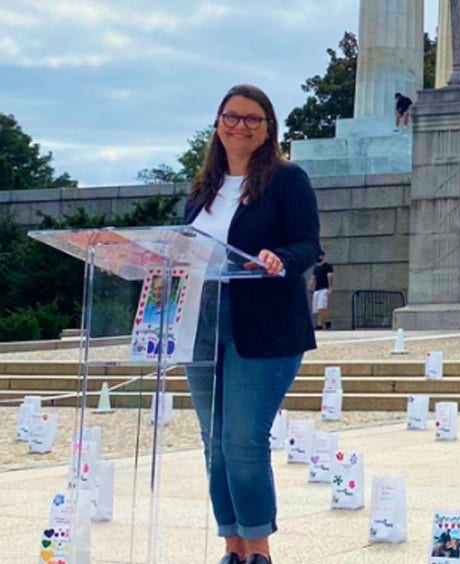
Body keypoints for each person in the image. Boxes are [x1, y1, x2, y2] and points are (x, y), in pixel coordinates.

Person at [184, 84, 319, 564]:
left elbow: (308, 247)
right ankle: (233, 546)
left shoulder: (287, 180)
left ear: (267, 130)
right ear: (218, 123)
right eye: (231, 116)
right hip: (201, 324)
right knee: (214, 439)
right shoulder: (203, 189)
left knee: (243, 437)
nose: (239, 125)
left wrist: (277, 258)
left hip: (263, 326)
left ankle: (258, 548)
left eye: (251, 119)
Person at [310, 251, 333, 330]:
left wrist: (330, 288)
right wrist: (311, 286)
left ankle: (319, 324)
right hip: (317, 289)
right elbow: (313, 278)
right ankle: (327, 321)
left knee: (321, 307)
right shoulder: (316, 268)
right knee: (318, 308)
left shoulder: (327, 266)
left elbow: (330, 277)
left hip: (324, 289)